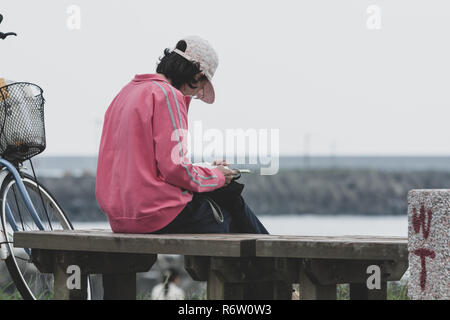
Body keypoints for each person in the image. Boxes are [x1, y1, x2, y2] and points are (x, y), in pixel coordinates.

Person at [96, 36, 268, 234]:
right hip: (154, 214)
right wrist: (218, 176)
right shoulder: (167, 95)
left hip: (120, 218)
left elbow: (148, 166)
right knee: (231, 209)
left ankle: (271, 257)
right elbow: (175, 169)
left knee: (226, 198)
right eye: (199, 88)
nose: (193, 96)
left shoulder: (125, 94)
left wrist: (207, 171)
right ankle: (273, 258)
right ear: (197, 76)